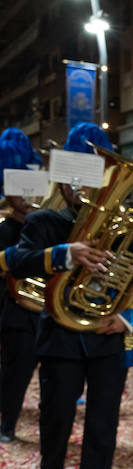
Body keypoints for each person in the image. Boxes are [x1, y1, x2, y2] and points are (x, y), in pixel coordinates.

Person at [7, 124, 133, 469]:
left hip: (108, 334)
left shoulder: (126, 229)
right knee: (57, 415)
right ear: (63, 183)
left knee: (104, 419)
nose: (83, 189)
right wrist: (64, 254)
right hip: (61, 336)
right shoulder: (44, 223)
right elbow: (17, 263)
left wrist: (131, 316)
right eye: (75, 180)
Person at [0, 129, 42, 443]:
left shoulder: (44, 224)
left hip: (32, 310)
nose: (27, 198)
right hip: (7, 307)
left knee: (21, 371)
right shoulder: (4, 226)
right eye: (20, 191)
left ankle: (8, 423)